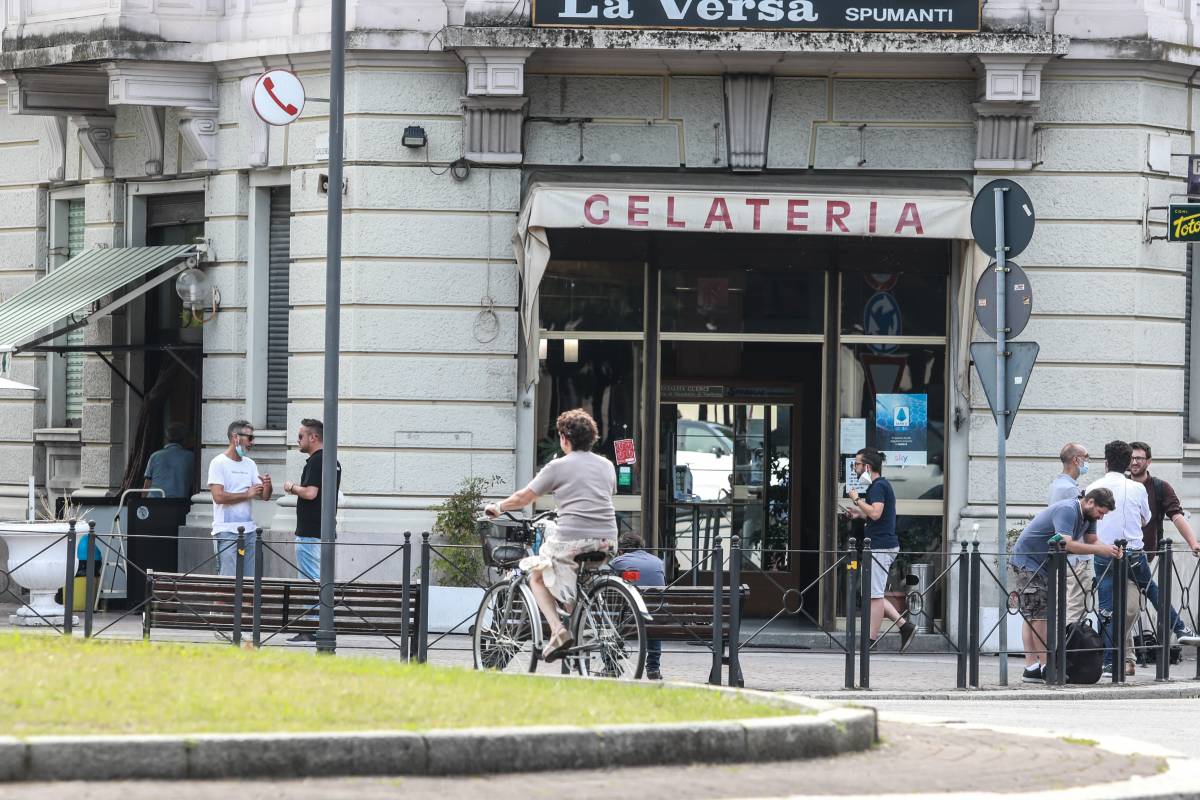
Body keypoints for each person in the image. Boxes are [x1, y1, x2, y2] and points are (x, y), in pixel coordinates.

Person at [485, 409, 616, 662]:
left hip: (573, 540)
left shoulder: (558, 466)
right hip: (608, 540)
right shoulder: (607, 466)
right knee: (575, 577)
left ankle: (558, 631)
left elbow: (525, 497)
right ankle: (578, 622)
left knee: (536, 575)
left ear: (564, 438)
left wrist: (498, 507)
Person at [1091, 440, 1200, 677]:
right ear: (1128, 463)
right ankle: (1180, 628)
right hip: (1134, 553)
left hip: (1104, 552)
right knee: (1152, 590)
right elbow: (1145, 519)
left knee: (1107, 608)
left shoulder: (1094, 486)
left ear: (1106, 462)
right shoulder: (1137, 489)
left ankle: (1109, 662)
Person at [1010, 488, 1118, 682]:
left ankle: (1031, 669)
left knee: (1034, 615)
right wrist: (1102, 551)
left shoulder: (1089, 516)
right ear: (1091, 502)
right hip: (1029, 562)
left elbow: (1092, 540)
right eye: (1101, 512)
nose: (1101, 518)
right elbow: (1065, 543)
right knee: (1039, 616)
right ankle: (1045, 667)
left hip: (1044, 565)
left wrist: (1108, 550)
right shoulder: (1068, 510)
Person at [845, 446, 917, 652]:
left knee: (874, 595)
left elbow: (876, 513)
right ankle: (905, 626)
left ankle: (870, 640)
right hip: (880, 545)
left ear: (867, 467)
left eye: (857, 464)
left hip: (880, 546)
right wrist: (858, 514)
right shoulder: (880, 486)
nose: (856, 468)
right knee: (872, 592)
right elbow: (876, 515)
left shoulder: (877, 487)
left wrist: (856, 499)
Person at [282, 418, 340, 643]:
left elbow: (310, 493)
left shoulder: (316, 462)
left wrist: (291, 487)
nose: (297, 440)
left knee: (310, 581)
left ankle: (313, 628)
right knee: (320, 579)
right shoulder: (333, 460)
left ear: (313, 437)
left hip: (310, 531)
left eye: (300, 436)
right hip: (324, 530)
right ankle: (321, 625)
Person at [207, 420, 270, 576]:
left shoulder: (250, 464)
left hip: (249, 531)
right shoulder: (218, 463)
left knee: (250, 582)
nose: (252, 442)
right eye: (249, 438)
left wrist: (268, 485)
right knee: (227, 583)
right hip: (226, 531)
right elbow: (218, 496)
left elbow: (264, 496)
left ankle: (246, 602)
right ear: (235, 437)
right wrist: (246, 494)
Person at [610, 532, 666, 680]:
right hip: (658, 618)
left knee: (609, 623)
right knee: (653, 618)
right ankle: (653, 668)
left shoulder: (618, 562)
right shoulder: (658, 561)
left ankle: (610, 665)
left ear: (621, 550)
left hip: (629, 621)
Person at [1048, 442, 1091, 625]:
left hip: (1065, 558)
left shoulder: (1057, 485)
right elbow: (1076, 523)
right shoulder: (1069, 490)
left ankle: (1062, 649)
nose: (1088, 462)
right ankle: (1070, 649)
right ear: (1076, 460)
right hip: (1075, 559)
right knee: (1075, 608)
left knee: (1064, 608)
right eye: (1086, 458)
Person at [143, 422, 195, 499]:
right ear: (185, 439)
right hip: (178, 503)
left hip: (153, 502)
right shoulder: (191, 457)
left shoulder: (155, 456)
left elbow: (147, 485)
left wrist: (143, 503)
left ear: (166, 439)